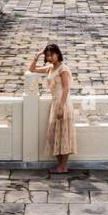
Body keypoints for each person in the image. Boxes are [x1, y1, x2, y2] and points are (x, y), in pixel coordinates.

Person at [30, 43, 75, 173]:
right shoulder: (50, 68)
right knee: (55, 135)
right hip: (55, 103)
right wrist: (37, 55)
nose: (50, 57)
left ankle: (63, 166)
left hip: (63, 103)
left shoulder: (63, 69)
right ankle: (60, 165)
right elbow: (31, 69)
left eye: (52, 55)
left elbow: (66, 88)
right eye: (48, 55)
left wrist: (60, 107)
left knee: (64, 134)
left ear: (58, 54)